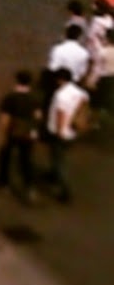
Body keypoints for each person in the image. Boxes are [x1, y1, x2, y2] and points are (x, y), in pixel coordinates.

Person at [44, 67, 89, 203]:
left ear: (60, 80)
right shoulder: (80, 92)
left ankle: (65, 191)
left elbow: (60, 114)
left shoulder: (61, 95)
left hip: (60, 133)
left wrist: (60, 131)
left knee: (59, 162)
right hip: (72, 131)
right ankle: (52, 174)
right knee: (58, 157)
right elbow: (84, 103)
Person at [0, 69, 40, 199]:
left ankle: (4, 183)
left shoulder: (11, 97)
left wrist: (3, 134)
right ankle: (29, 187)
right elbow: (38, 116)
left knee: (5, 157)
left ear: (17, 80)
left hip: (12, 132)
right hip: (28, 133)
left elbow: (5, 118)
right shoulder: (34, 98)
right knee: (26, 160)